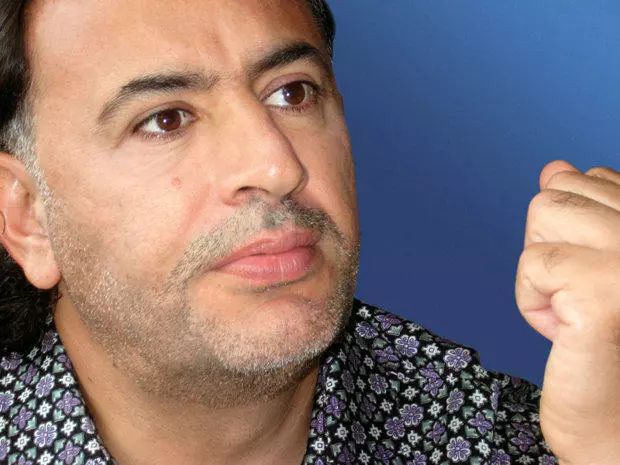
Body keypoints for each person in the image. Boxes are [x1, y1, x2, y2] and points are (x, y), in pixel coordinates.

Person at [0, 1, 617, 464]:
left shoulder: (530, 443)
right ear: (26, 217)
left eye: (291, 93)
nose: (277, 165)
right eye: (165, 120)